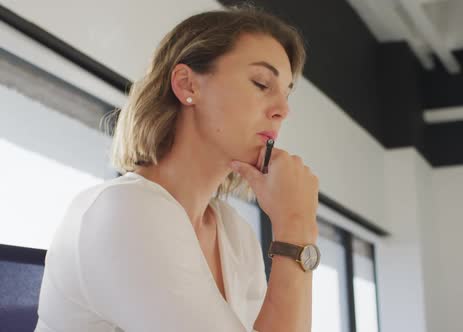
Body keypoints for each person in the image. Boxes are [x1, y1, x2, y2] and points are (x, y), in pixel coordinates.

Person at [34, 5, 320, 332]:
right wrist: (296, 228)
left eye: (286, 93)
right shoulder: (125, 211)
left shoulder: (234, 233)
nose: (283, 110)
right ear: (187, 85)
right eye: (261, 83)